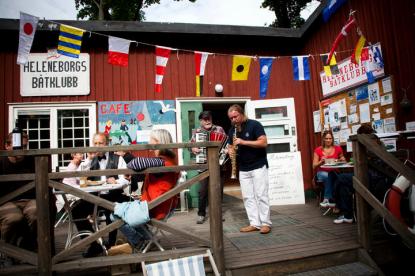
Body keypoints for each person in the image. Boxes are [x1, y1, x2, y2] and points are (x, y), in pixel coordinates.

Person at [108, 129, 179, 252]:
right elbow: (151, 177)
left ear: (158, 142)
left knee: (114, 215)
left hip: (154, 208)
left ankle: (139, 241)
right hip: (159, 206)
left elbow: (135, 163)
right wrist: (133, 175)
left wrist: (125, 154)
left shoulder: (163, 162)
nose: (148, 142)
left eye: (151, 139)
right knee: (119, 211)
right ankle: (149, 239)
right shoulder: (167, 161)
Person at [73, 132, 130, 257]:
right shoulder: (89, 160)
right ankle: (94, 244)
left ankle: (112, 244)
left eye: (101, 143)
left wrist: (117, 181)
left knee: (113, 211)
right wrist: (88, 160)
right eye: (95, 143)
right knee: (76, 211)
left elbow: (126, 179)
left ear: (107, 144)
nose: (98, 146)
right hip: (96, 196)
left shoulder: (118, 158)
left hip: (114, 194)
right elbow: (78, 178)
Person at [0, 132, 56, 252]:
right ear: (7, 146)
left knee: (36, 211)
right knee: (13, 217)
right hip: (7, 203)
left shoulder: (32, 160)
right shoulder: (1, 161)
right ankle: (8, 251)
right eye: (19, 146)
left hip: (30, 201)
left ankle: (28, 247)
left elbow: (46, 180)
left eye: (25, 146)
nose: (22, 150)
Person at [333, 123, 395, 224]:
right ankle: (347, 216)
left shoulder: (368, 145)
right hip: (373, 176)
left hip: (371, 178)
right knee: (343, 185)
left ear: (363, 135)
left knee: (341, 178)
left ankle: (334, 202)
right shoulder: (379, 143)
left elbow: (363, 162)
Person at [227, 104, 272, 234]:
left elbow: (264, 142)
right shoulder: (232, 130)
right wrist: (230, 151)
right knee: (247, 197)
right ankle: (254, 223)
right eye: (231, 118)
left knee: (261, 195)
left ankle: (265, 223)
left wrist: (244, 142)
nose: (233, 120)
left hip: (258, 165)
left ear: (242, 113)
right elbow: (230, 145)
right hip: (243, 167)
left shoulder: (254, 125)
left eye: (235, 116)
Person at [191, 111, 226, 224]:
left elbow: (226, 142)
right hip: (203, 165)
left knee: (218, 191)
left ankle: (217, 213)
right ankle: (201, 214)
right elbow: (190, 144)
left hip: (218, 165)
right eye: (205, 119)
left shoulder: (219, 129)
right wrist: (193, 149)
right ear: (201, 121)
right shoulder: (197, 132)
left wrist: (226, 149)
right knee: (203, 192)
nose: (207, 121)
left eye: (209, 118)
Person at [312, 129, 346, 208]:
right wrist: (321, 161)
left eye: (330, 138)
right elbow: (314, 166)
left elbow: (343, 160)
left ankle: (334, 203)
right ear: (323, 139)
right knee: (328, 176)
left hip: (334, 172)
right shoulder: (318, 150)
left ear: (332, 139)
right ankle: (328, 199)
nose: (328, 140)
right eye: (326, 138)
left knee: (338, 179)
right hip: (321, 173)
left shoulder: (338, 149)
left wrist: (342, 159)